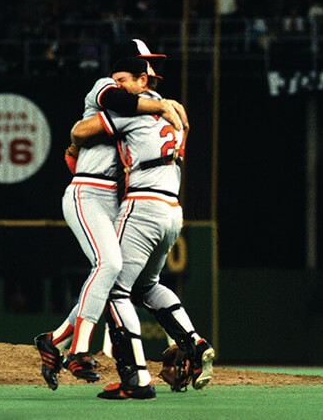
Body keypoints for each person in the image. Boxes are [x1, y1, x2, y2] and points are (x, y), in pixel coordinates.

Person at [34, 40, 184, 391]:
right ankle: (79, 351)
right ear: (124, 68)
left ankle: (53, 340)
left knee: (112, 276)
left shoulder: (146, 107)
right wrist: (157, 109)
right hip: (88, 190)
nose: (148, 71)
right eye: (143, 64)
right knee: (109, 267)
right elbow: (98, 115)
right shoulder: (109, 86)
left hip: (116, 198)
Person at [72, 56, 214, 399]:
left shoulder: (135, 112)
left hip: (144, 205)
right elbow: (184, 128)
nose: (118, 86)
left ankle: (135, 379)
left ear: (142, 82)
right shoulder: (176, 114)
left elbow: (80, 131)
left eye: (125, 80)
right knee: (148, 284)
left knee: (115, 289)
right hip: (172, 210)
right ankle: (194, 344)